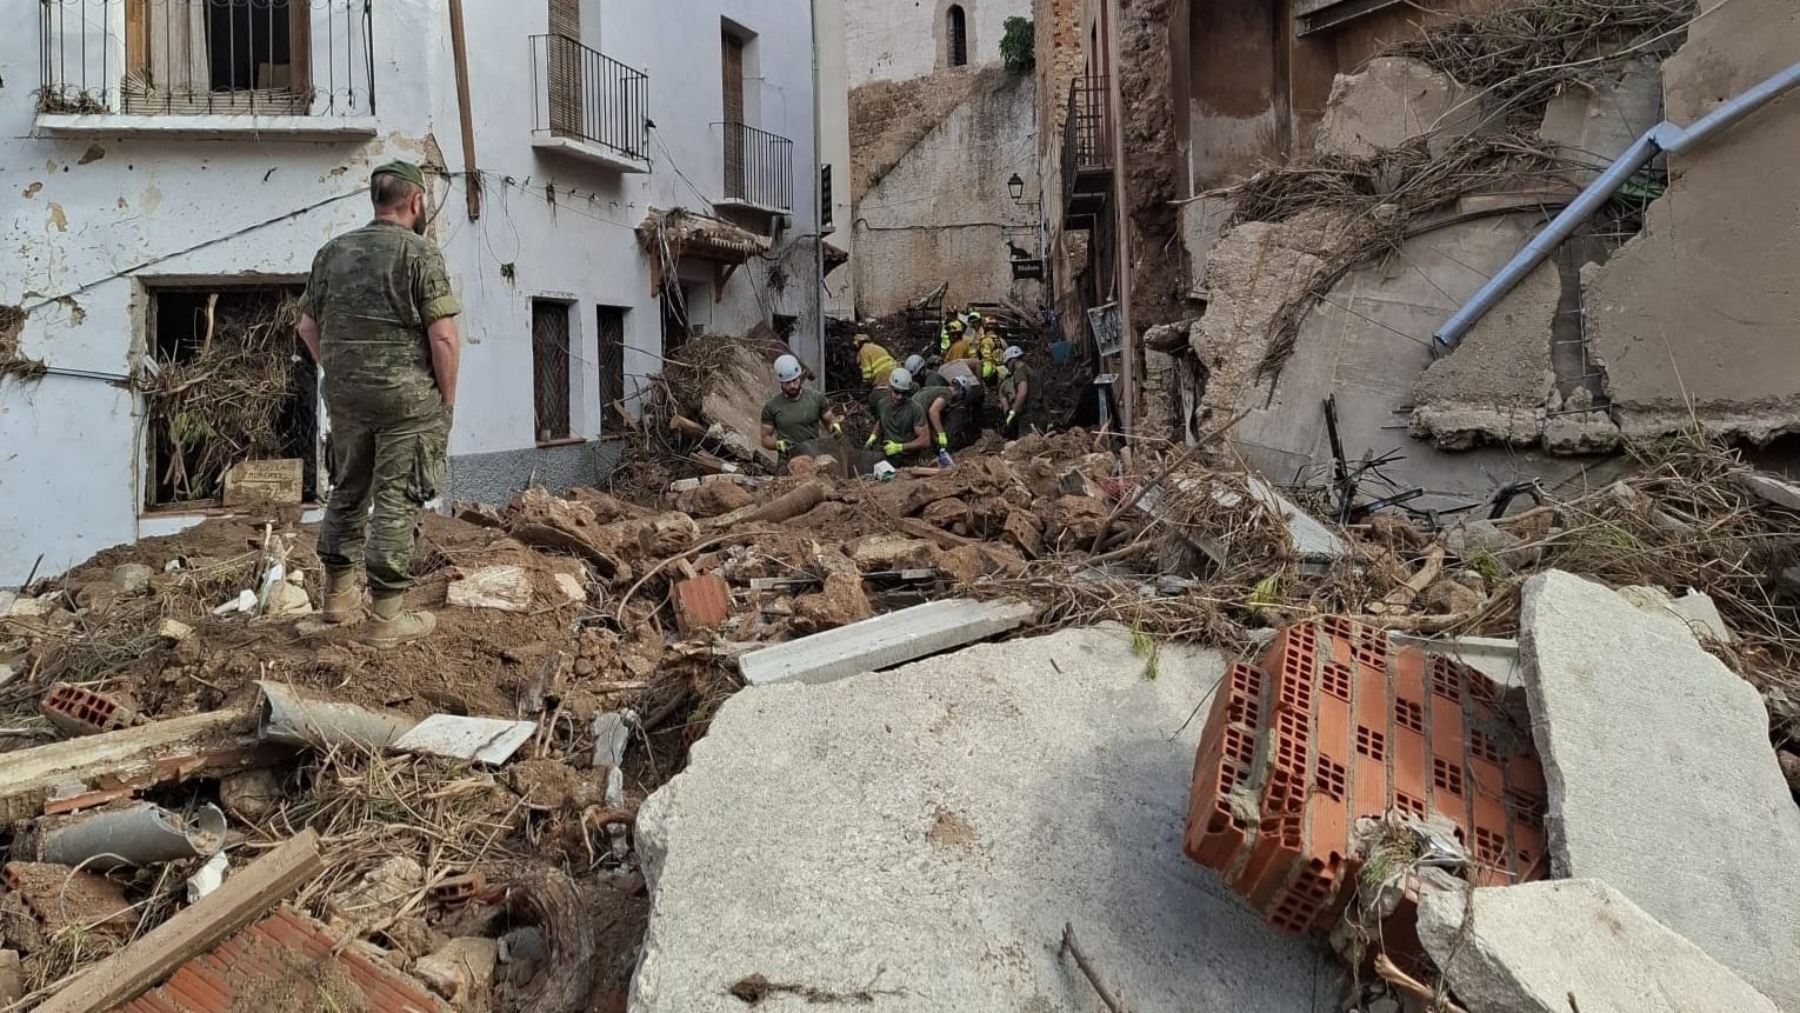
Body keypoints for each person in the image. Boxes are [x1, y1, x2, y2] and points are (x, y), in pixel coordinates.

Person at [296, 160, 458, 648]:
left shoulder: (332, 253)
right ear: (415, 202)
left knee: (347, 488)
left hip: (346, 398)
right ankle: (386, 620)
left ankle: (336, 603)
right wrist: (445, 401)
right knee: (396, 497)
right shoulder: (420, 254)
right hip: (405, 402)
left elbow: (306, 327)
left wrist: (342, 373)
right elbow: (444, 338)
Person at [760, 353, 843, 457]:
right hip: (788, 458)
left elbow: (829, 421)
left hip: (814, 454)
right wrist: (778, 444)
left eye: (794, 381)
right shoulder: (771, 407)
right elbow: (765, 438)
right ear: (781, 382)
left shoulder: (816, 398)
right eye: (787, 382)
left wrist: (835, 427)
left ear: (799, 377)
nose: (792, 386)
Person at [864, 367, 930, 464]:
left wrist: (900, 447)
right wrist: (873, 436)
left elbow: (925, 440)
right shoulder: (882, 404)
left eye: (904, 393)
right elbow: (880, 421)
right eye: (897, 392)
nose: (900, 397)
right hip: (888, 456)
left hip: (909, 459)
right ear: (890, 387)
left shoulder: (915, 409)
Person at [914, 374, 980, 467]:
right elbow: (933, 412)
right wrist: (941, 434)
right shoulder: (947, 393)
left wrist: (935, 436)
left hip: (912, 412)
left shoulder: (939, 389)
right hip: (915, 415)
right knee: (926, 442)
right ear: (961, 392)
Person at [999, 345, 1045, 436]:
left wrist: (1013, 412)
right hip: (1039, 414)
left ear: (1011, 361)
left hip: (1029, 417)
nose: (1008, 368)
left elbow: (1022, 393)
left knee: (1025, 447)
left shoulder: (1019, 372)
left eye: (1007, 364)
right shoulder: (1031, 371)